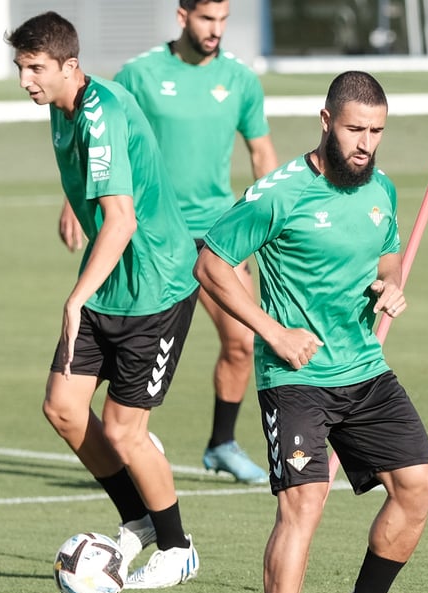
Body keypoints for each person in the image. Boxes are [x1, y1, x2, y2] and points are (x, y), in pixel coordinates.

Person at [193, 71, 428, 593]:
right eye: (356, 129)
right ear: (326, 121)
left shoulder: (380, 186)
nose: (366, 143)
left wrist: (390, 282)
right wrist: (272, 333)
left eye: (377, 132)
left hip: (364, 369)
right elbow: (211, 266)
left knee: (418, 486)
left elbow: (387, 250)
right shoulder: (277, 194)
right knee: (304, 504)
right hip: (296, 376)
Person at [8, 11, 200, 590]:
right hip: (112, 284)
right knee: (64, 408)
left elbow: (120, 221)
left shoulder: (103, 112)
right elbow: (98, 187)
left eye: (35, 68)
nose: (26, 81)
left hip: (156, 285)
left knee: (123, 431)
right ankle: (136, 519)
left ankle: (177, 546)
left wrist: (75, 298)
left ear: (70, 65)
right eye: (20, 68)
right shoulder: (60, 109)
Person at [58, 0, 278, 485]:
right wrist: (75, 202)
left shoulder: (241, 81)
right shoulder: (139, 74)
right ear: (183, 17)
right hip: (156, 239)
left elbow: (261, 153)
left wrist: (270, 225)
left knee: (242, 343)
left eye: (223, 20)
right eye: (206, 19)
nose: (216, 30)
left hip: (218, 236)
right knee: (139, 338)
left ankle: (221, 444)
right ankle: (134, 439)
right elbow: (100, 141)